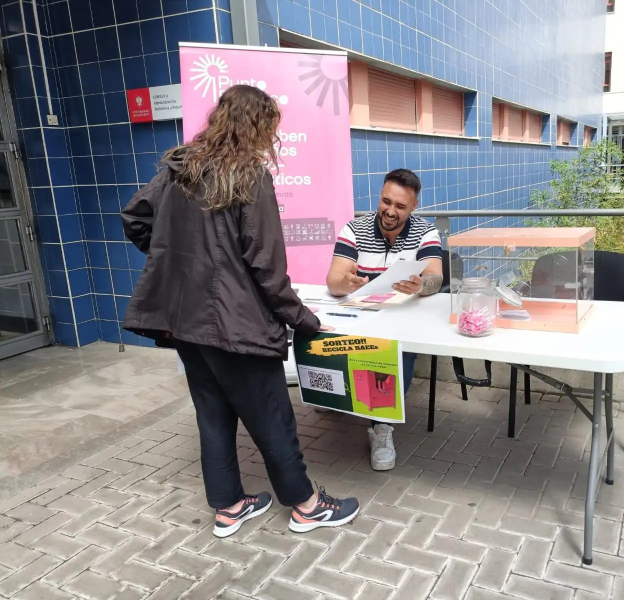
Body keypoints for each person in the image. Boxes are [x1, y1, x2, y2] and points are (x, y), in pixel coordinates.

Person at [121, 85, 358, 538]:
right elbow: (266, 266)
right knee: (272, 417)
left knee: (212, 414)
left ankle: (229, 507)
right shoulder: (249, 174)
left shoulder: (179, 169)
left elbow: (135, 218)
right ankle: (306, 506)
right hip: (237, 327)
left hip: (185, 323)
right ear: (259, 126)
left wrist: (179, 261)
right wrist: (305, 320)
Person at [326, 169, 443, 470]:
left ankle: (382, 428)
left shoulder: (425, 232)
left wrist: (422, 285)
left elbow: (435, 277)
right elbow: (334, 280)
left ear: (414, 206)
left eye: (400, 206)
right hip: (361, 314)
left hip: (402, 317)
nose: (390, 211)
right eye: (385, 201)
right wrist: (347, 283)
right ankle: (336, 400)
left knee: (395, 348)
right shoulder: (355, 229)